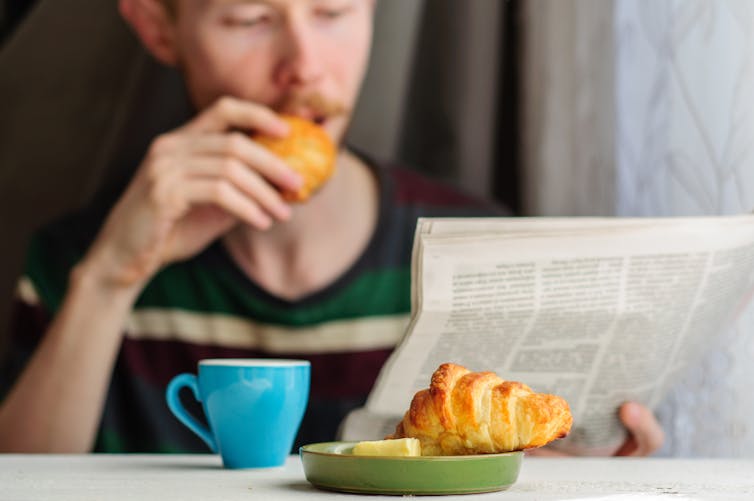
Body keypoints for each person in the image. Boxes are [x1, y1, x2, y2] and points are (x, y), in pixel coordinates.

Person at [0, 0, 663, 456]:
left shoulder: (482, 249)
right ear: (157, 25)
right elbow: (22, 473)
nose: (305, 66)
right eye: (250, 19)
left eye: (334, 12)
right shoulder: (82, 262)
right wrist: (111, 278)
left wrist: (584, 464)